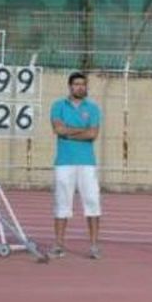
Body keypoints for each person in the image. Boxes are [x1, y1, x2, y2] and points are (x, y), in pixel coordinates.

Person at [50, 72, 103, 259]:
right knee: (61, 204)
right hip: (64, 163)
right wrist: (82, 130)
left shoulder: (93, 108)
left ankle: (94, 245)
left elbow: (93, 134)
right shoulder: (58, 106)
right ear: (70, 86)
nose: (80, 87)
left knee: (93, 203)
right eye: (76, 84)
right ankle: (58, 244)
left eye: (83, 84)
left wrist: (69, 132)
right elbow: (58, 129)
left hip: (87, 163)